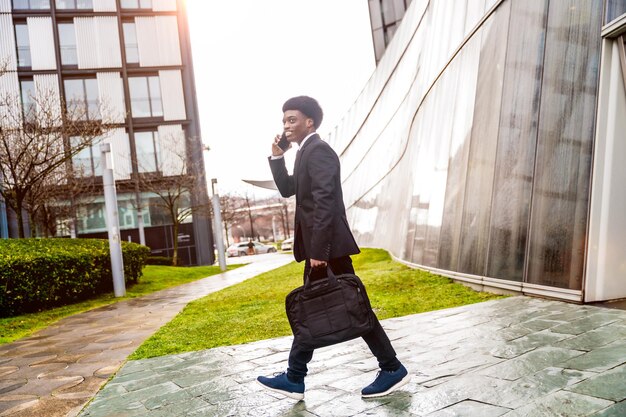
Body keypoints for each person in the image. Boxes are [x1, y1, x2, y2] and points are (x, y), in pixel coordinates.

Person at [257, 96, 408, 400]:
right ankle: (296, 376)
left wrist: (318, 251)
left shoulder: (319, 151)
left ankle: (390, 368)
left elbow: (327, 202)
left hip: (327, 247)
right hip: (322, 247)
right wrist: (276, 157)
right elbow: (288, 189)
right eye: (284, 121)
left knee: (347, 305)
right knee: (323, 304)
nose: (286, 126)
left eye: (292, 120)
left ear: (309, 122)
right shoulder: (304, 153)